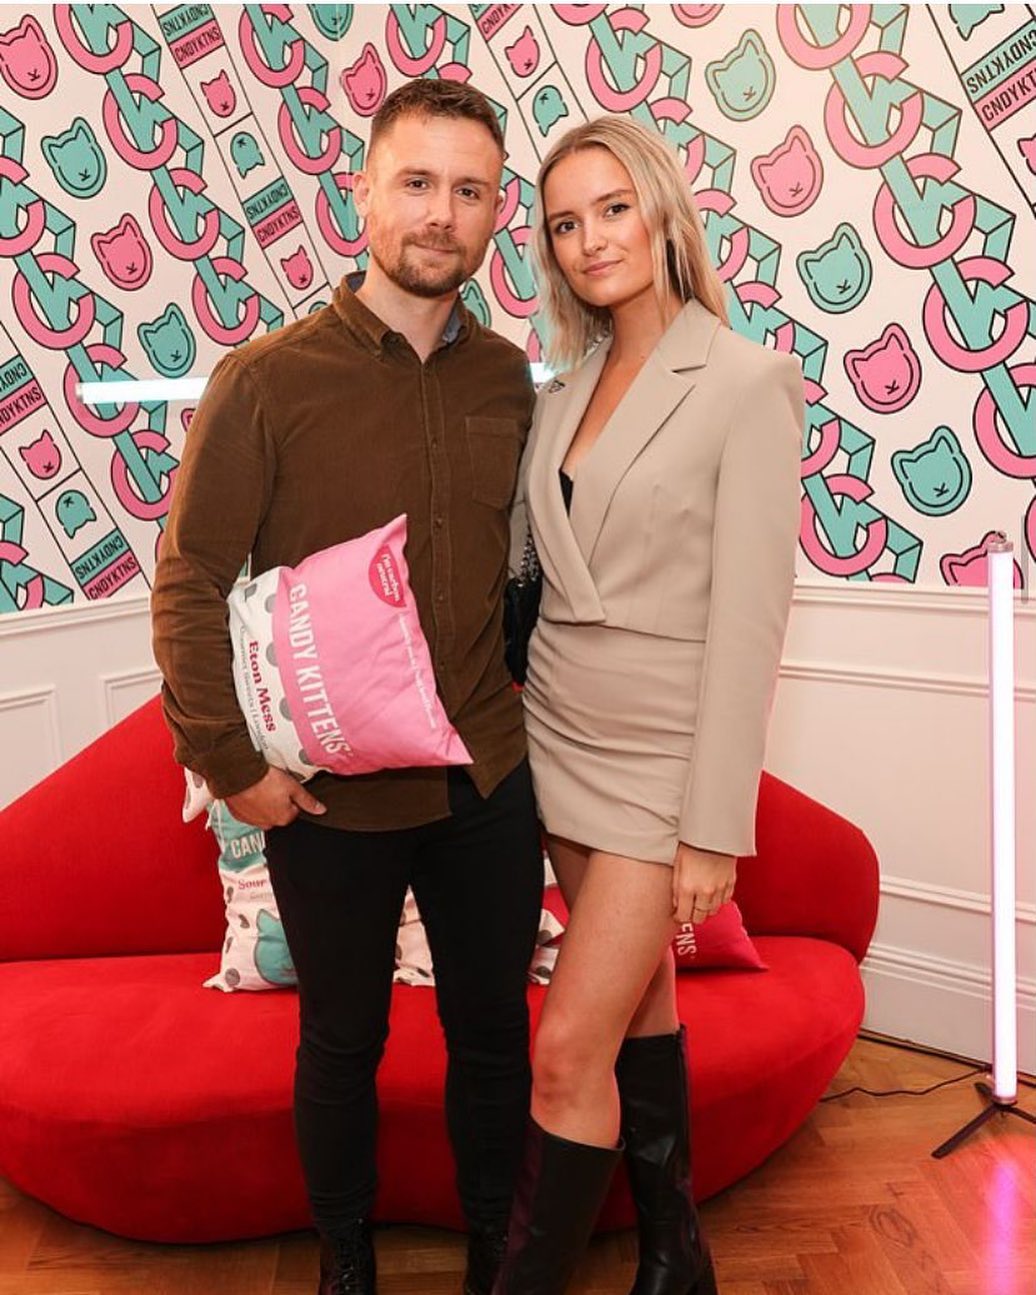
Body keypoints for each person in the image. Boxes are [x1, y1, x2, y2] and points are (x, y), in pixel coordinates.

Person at [151, 79, 545, 1295]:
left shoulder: (508, 381)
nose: (441, 214)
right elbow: (189, 579)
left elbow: (529, 575)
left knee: (494, 1039)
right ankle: (344, 1261)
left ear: (495, 213)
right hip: (329, 796)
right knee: (340, 1041)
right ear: (363, 191)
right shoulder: (266, 381)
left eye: (469, 190)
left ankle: (496, 1254)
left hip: (485, 781)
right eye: (416, 182)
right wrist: (233, 767)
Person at [493, 117, 805, 1295]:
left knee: (565, 1047)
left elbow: (749, 620)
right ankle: (676, 1253)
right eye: (565, 223)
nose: (591, 240)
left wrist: (712, 826)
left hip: (654, 760)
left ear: (663, 210)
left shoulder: (744, 381)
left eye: (612, 208)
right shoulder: (562, 389)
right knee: (639, 1005)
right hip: (558, 729)